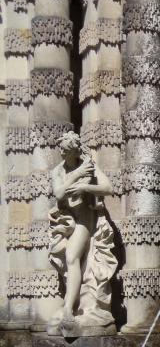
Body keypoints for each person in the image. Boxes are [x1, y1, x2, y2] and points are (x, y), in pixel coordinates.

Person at [49, 131, 116, 333]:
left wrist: (86, 187)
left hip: (85, 219)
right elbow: (59, 193)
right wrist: (77, 175)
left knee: (71, 257)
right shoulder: (58, 171)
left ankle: (68, 309)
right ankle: (73, 304)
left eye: (66, 150)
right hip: (68, 220)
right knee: (70, 261)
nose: (62, 153)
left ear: (74, 151)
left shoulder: (89, 165)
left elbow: (108, 188)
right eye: (61, 150)